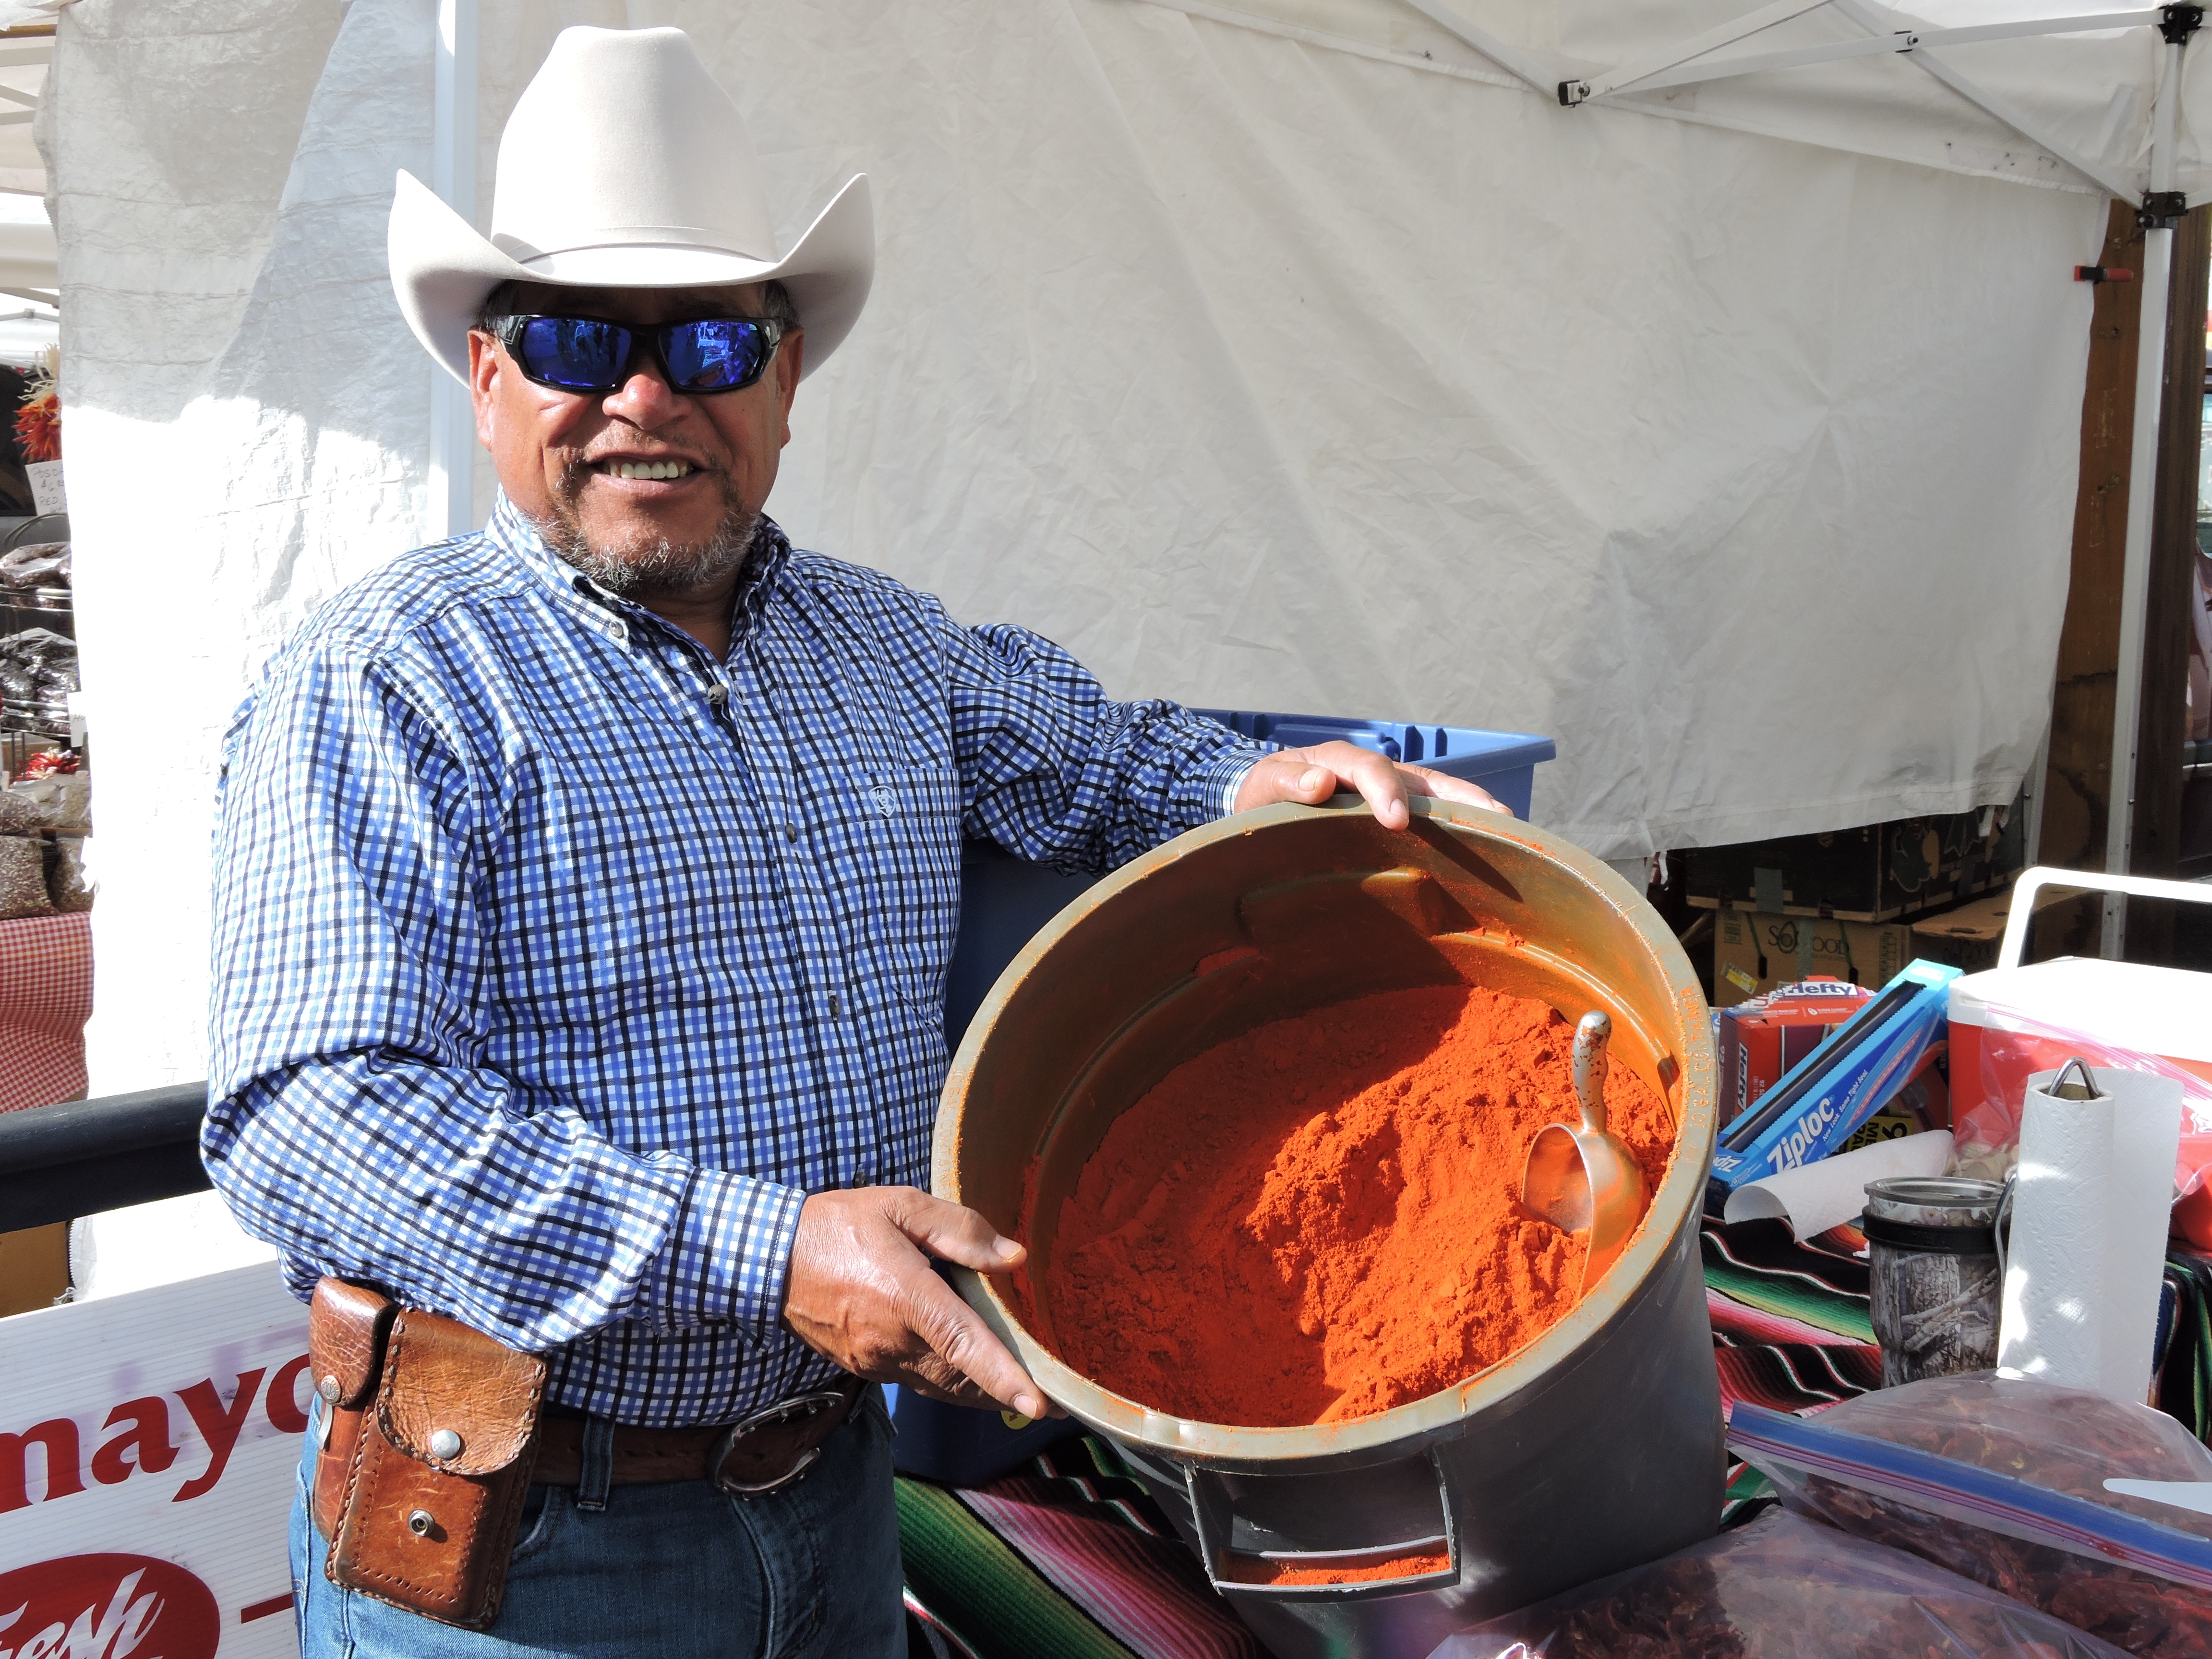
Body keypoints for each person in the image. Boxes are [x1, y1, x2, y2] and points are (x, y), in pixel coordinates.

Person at [203, 25, 1503, 1659]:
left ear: (787, 380)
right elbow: (314, 1123)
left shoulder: (884, 644)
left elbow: (1106, 766)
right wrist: (775, 1251)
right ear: (486, 380)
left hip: (833, 1491)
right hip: (541, 1549)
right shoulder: (389, 681)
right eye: (574, 341)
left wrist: (1263, 784)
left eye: (712, 346)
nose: (646, 399)